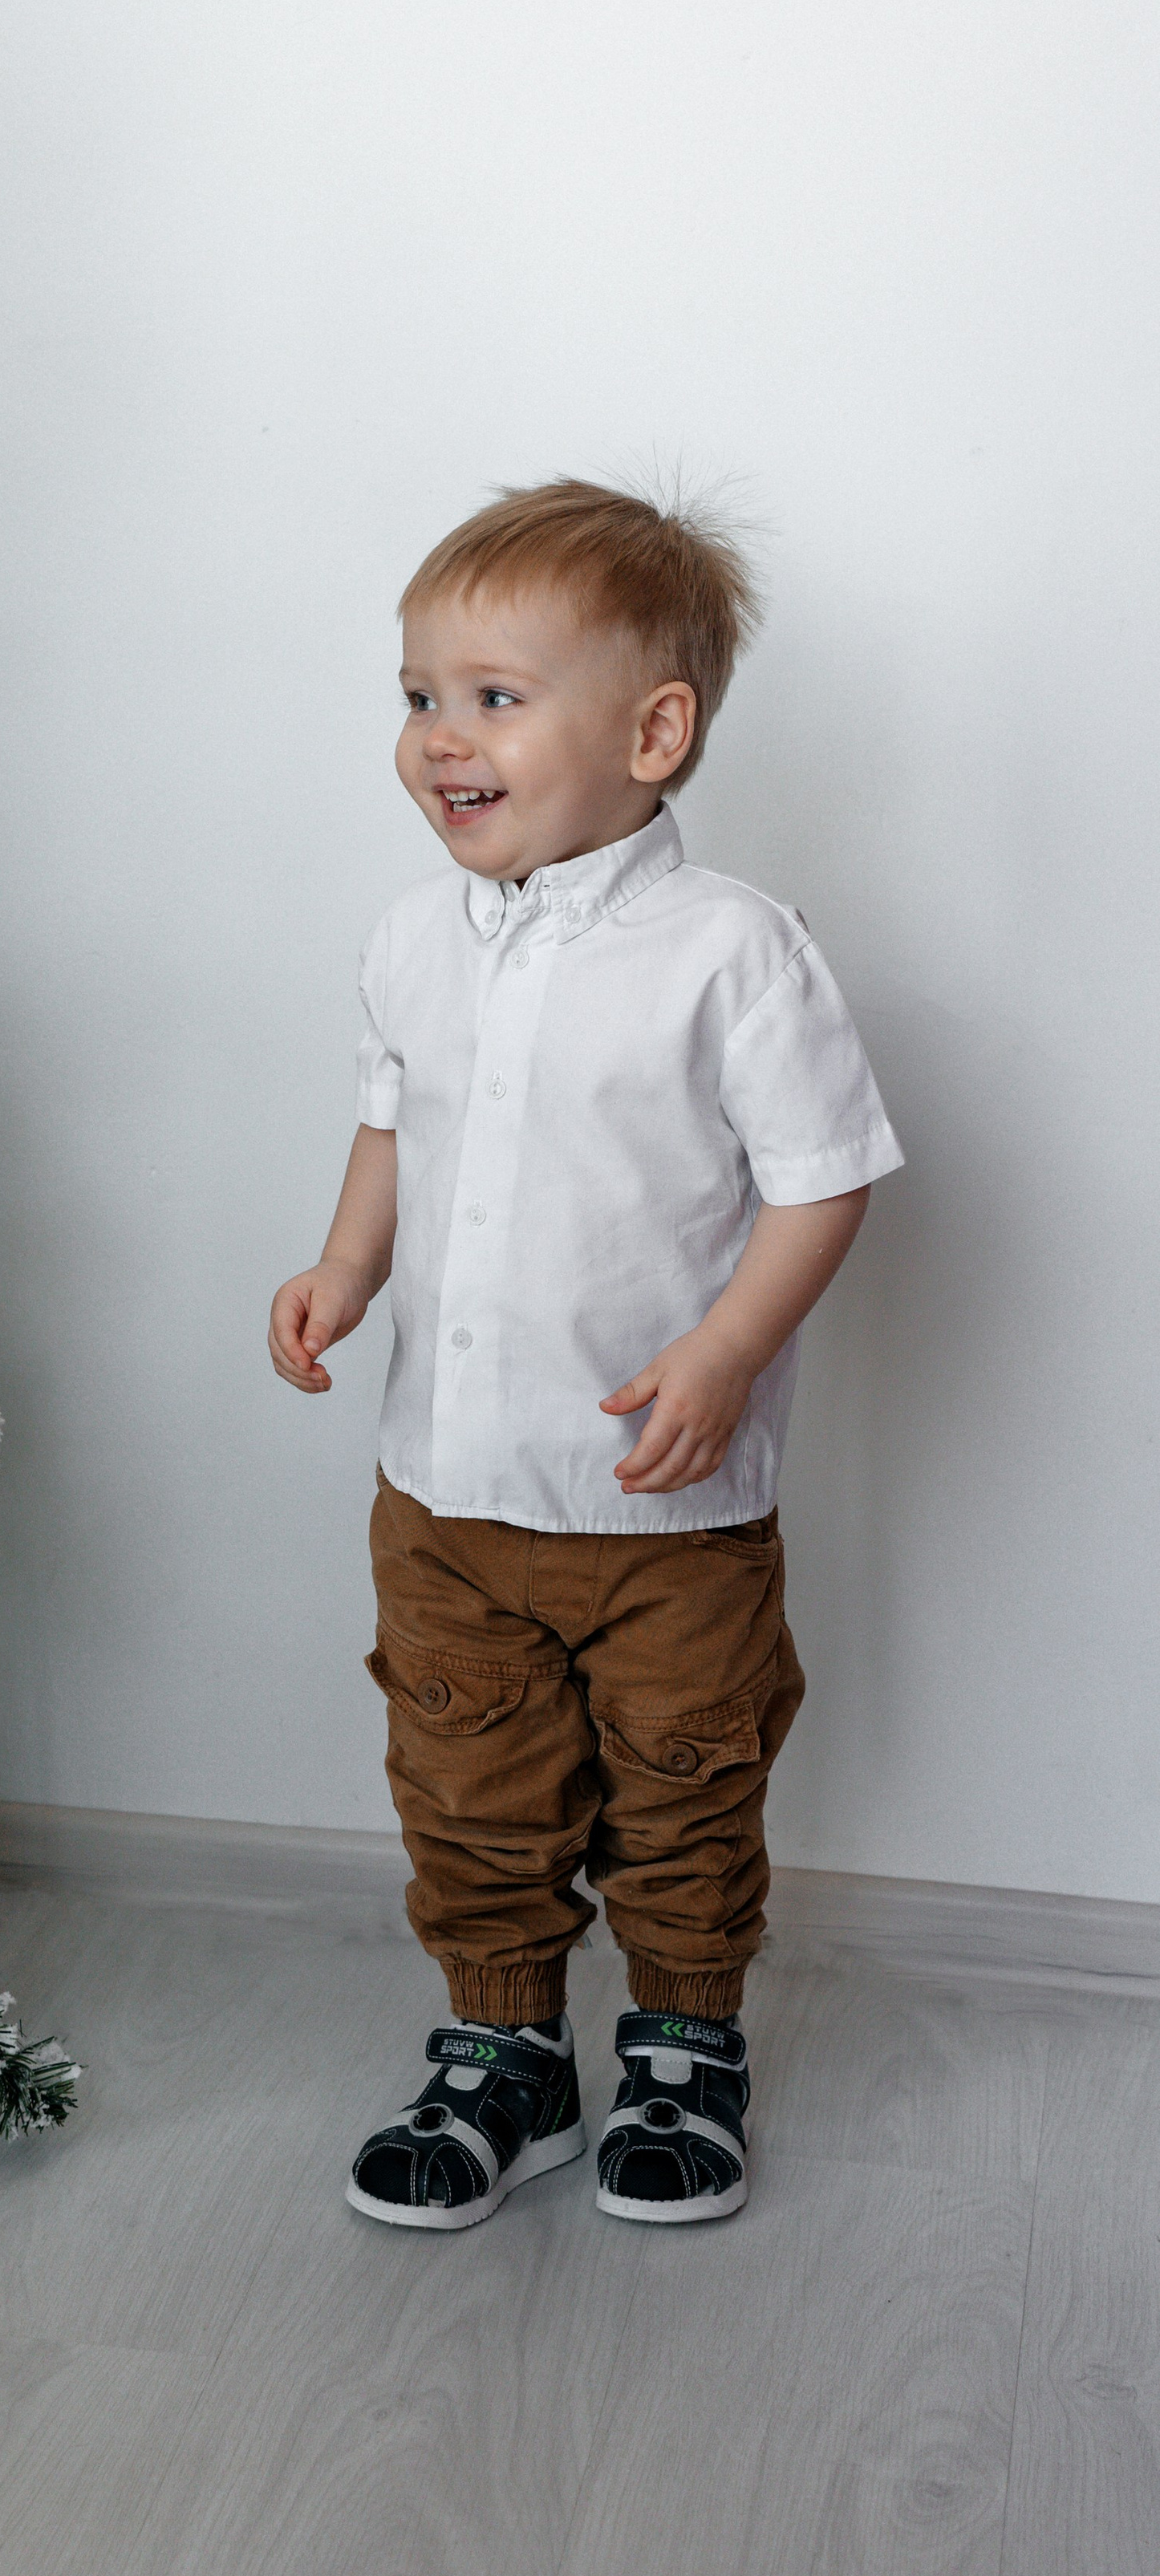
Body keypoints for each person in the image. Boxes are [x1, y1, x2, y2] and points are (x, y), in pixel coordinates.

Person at [269, 481, 902, 2228]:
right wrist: (344, 1266)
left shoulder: (730, 951)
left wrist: (727, 1350)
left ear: (652, 732)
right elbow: (393, 1124)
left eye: (493, 697)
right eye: (418, 694)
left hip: (661, 1510)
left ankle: (685, 2049)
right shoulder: (413, 938)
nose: (439, 737)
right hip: (447, 1494)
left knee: (683, 1790)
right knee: (467, 1790)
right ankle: (506, 2055)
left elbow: (823, 1177)